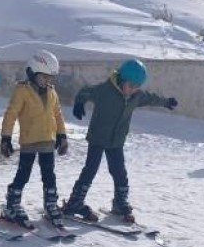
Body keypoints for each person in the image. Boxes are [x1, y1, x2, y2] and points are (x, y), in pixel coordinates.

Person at [62, 59, 177, 222]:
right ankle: (75, 203)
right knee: (90, 170)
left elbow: (151, 98)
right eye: (130, 86)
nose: (133, 90)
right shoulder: (105, 90)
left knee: (119, 172)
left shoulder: (136, 96)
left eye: (137, 87)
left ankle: (119, 203)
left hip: (116, 141)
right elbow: (86, 91)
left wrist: (166, 102)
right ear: (122, 80)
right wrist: (79, 102)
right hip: (98, 138)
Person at [0, 50, 69, 227]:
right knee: (23, 174)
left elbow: (58, 114)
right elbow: (11, 114)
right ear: (32, 73)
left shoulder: (52, 92)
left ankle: (51, 204)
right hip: (29, 140)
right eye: (44, 77)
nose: (48, 81)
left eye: (50, 77)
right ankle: (12, 204)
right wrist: (6, 138)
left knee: (49, 175)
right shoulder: (22, 90)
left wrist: (61, 135)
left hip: (48, 139)